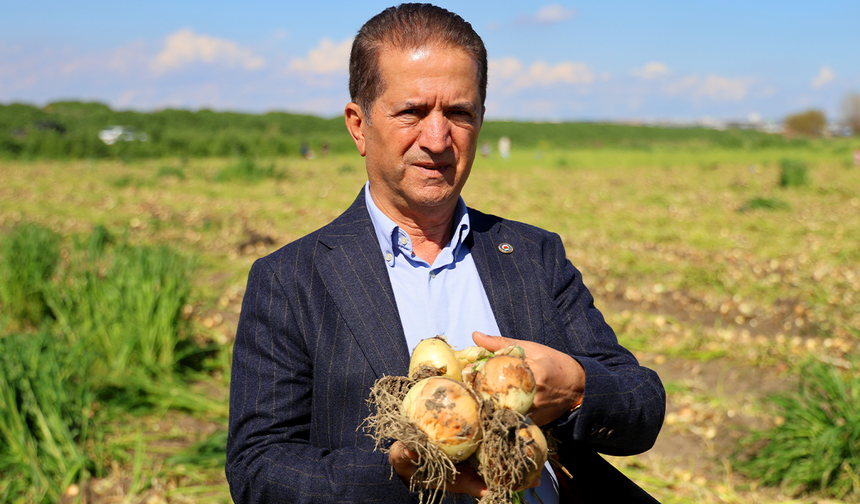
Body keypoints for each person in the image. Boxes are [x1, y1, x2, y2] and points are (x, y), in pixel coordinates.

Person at [225, 4, 665, 503]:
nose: (437, 140)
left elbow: (642, 408)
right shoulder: (290, 280)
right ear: (358, 126)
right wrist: (397, 474)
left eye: (458, 113)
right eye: (411, 112)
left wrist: (577, 389)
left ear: (480, 119)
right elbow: (257, 468)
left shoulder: (533, 255)